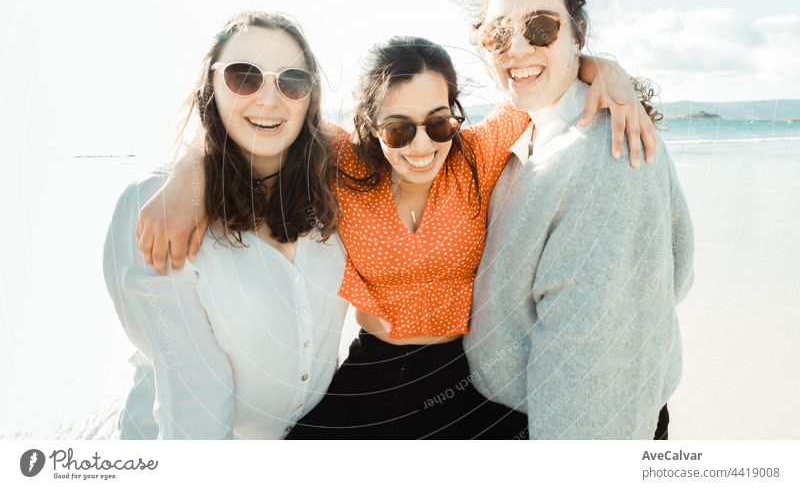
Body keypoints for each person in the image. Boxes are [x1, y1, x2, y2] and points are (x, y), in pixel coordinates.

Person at [136, 29, 659, 439]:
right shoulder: (341, 159)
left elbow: (546, 78)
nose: (421, 146)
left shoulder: (475, 153)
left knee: (618, 431)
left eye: (438, 123)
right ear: (369, 124)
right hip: (374, 370)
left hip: (467, 370)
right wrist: (191, 170)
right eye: (397, 129)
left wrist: (606, 69)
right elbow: (259, 121)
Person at [463, 0, 694, 439]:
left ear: (577, 34)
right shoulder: (529, 130)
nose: (517, 46)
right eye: (497, 33)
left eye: (541, 27)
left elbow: (594, 370)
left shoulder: (608, 159)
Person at [103, 11, 348, 439]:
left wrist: (195, 162)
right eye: (244, 76)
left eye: (291, 81)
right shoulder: (156, 206)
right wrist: (195, 166)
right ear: (210, 86)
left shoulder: (333, 185)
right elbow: (192, 392)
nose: (270, 100)